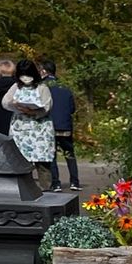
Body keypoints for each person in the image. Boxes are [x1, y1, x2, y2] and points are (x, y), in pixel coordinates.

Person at [1, 58, 56, 183]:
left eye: (28, 75)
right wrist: (14, 104)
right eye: (22, 76)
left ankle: (46, 188)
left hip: (40, 128)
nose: (25, 79)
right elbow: (5, 102)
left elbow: (47, 106)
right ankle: (24, 188)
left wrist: (33, 112)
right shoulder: (16, 86)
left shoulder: (42, 87)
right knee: (20, 160)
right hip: (20, 127)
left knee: (42, 163)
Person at [40, 58, 79, 190]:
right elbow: (72, 108)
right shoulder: (64, 87)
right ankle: (75, 181)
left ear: (44, 71)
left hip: (49, 125)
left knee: (52, 156)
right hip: (65, 125)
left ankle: (55, 183)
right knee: (69, 154)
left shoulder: (42, 86)